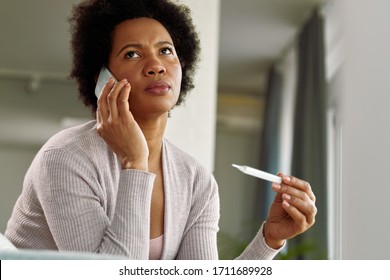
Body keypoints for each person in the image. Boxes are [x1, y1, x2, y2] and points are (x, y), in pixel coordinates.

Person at [5, 0, 317, 260]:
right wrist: (134, 164)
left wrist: (269, 240)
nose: (156, 65)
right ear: (102, 79)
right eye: (132, 53)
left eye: (166, 50)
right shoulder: (65, 158)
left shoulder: (196, 182)